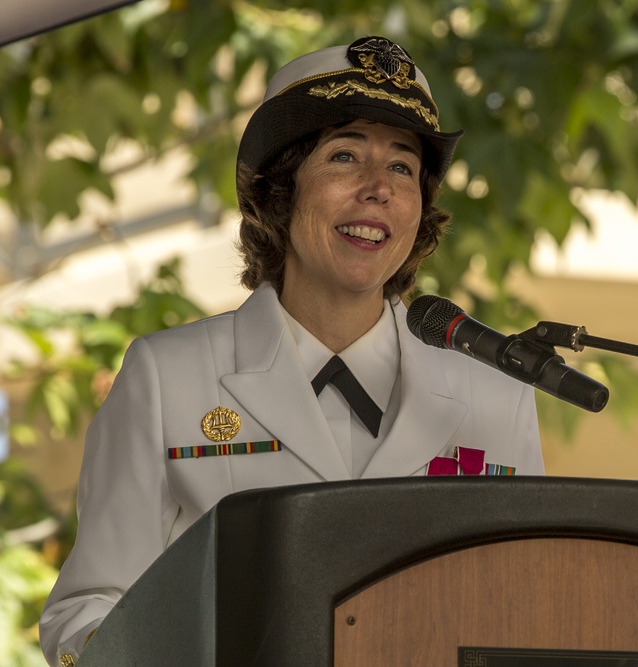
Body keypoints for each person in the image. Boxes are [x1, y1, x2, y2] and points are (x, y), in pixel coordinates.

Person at [39, 35, 544, 666]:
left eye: (402, 166)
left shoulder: (496, 391)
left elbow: (528, 608)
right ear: (281, 191)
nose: (377, 188)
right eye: (344, 157)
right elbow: (88, 612)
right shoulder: (168, 376)